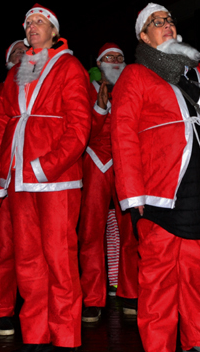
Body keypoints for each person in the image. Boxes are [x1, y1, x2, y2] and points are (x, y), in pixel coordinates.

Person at [111, 2, 200, 352]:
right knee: (159, 272)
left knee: (195, 268)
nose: (166, 24)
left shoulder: (198, 72)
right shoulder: (135, 75)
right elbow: (123, 134)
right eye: (156, 22)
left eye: (169, 19)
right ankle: (158, 345)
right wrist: (132, 195)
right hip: (159, 185)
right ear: (143, 35)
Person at [0, 4, 91, 351]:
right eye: (28, 22)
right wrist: (2, 172)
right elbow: (3, 124)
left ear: (54, 31)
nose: (32, 27)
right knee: (27, 260)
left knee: (60, 258)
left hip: (56, 179)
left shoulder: (70, 66)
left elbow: (79, 127)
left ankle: (65, 337)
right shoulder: (17, 72)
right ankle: (35, 335)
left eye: (40, 22)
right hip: (18, 178)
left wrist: (46, 166)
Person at [79, 43, 139, 322]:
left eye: (119, 57)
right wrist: (100, 108)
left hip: (126, 161)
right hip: (95, 160)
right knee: (91, 231)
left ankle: (130, 293)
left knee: (131, 231)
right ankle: (92, 298)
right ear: (99, 63)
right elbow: (81, 131)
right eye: (109, 57)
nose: (115, 60)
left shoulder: (131, 87)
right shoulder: (85, 88)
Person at [0, 38, 28, 337]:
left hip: (34, 178)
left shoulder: (40, 90)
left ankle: (32, 303)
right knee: (2, 246)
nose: (22, 55)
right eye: (16, 52)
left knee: (32, 247)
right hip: (4, 178)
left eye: (26, 51)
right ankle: (1, 310)